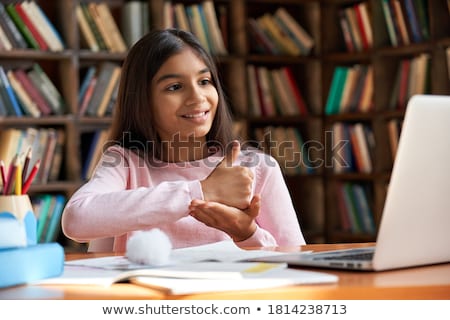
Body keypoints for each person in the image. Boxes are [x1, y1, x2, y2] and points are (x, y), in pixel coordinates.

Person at [62, 28, 305, 252]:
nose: (197, 97)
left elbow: (297, 266)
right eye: (175, 86)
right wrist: (202, 191)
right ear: (142, 101)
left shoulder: (258, 168)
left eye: (204, 81)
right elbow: (76, 220)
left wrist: (246, 233)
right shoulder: (124, 163)